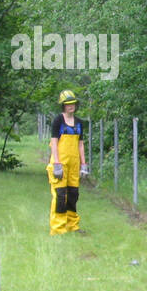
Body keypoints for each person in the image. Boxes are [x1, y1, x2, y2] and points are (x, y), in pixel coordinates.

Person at [47, 89, 89, 235]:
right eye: (68, 104)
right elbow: (54, 142)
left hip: (74, 164)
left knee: (73, 194)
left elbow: (80, 144)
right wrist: (57, 164)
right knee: (60, 195)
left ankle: (72, 226)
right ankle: (58, 229)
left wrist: (84, 164)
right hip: (60, 163)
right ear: (63, 106)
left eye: (73, 104)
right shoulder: (58, 120)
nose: (71, 106)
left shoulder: (79, 123)